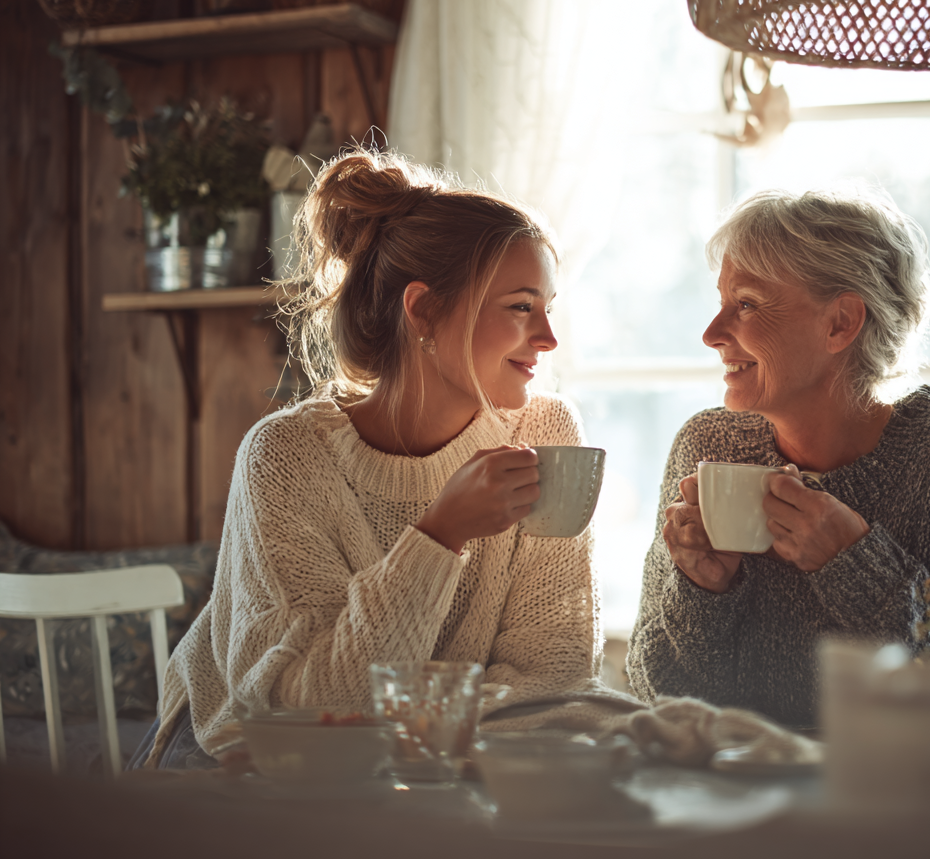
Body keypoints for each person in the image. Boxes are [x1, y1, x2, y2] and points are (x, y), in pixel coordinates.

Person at [132, 151, 600, 769]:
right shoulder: (285, 458)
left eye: (548, 306)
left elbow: (555, 677)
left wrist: (425, 737)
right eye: (520, 307)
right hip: (246, 763)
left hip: (432, 765)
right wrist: (439, 535)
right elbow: (310, 712)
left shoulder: (546, 430)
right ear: (424, 310)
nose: (548, 338)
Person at [626, 188, 930, 729]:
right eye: (722, 301)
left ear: (841, 323)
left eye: (746, 303)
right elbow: (655, 693)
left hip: (903, 801)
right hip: (736, 798)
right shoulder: (707, 448)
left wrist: (856, 566)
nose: (711, 333)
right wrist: (703, 590)